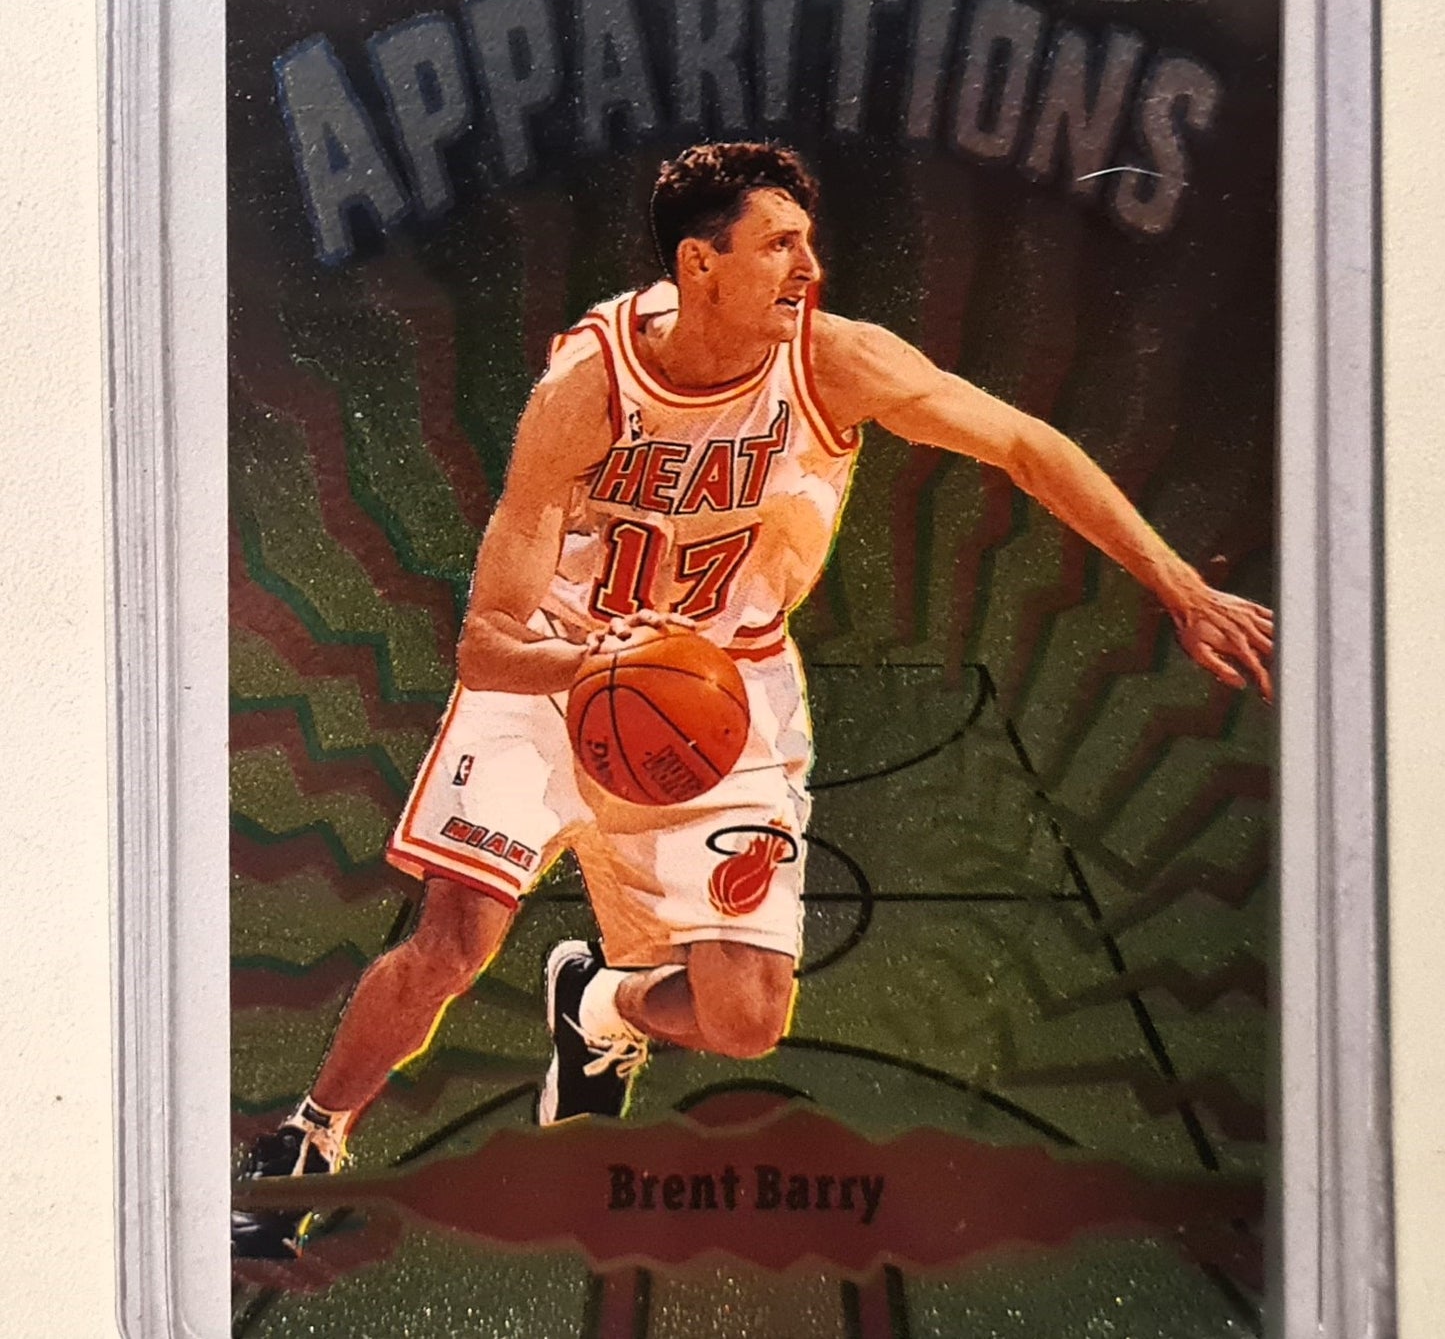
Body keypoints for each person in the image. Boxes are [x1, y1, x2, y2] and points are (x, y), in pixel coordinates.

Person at [232, 142, 1273, 1259]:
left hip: (725, 691)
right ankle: (312, 1133)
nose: (807, 267)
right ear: (700, 262)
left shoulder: (836, 363)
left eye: (807, 243)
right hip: (560, 667)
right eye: (779, 244)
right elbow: (486, 641)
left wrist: (1178, 583)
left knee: (744, 1015)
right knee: (452, 939)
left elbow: (1022, 445)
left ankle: (598, 1003)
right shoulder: (588, 388)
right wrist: (594, 668)